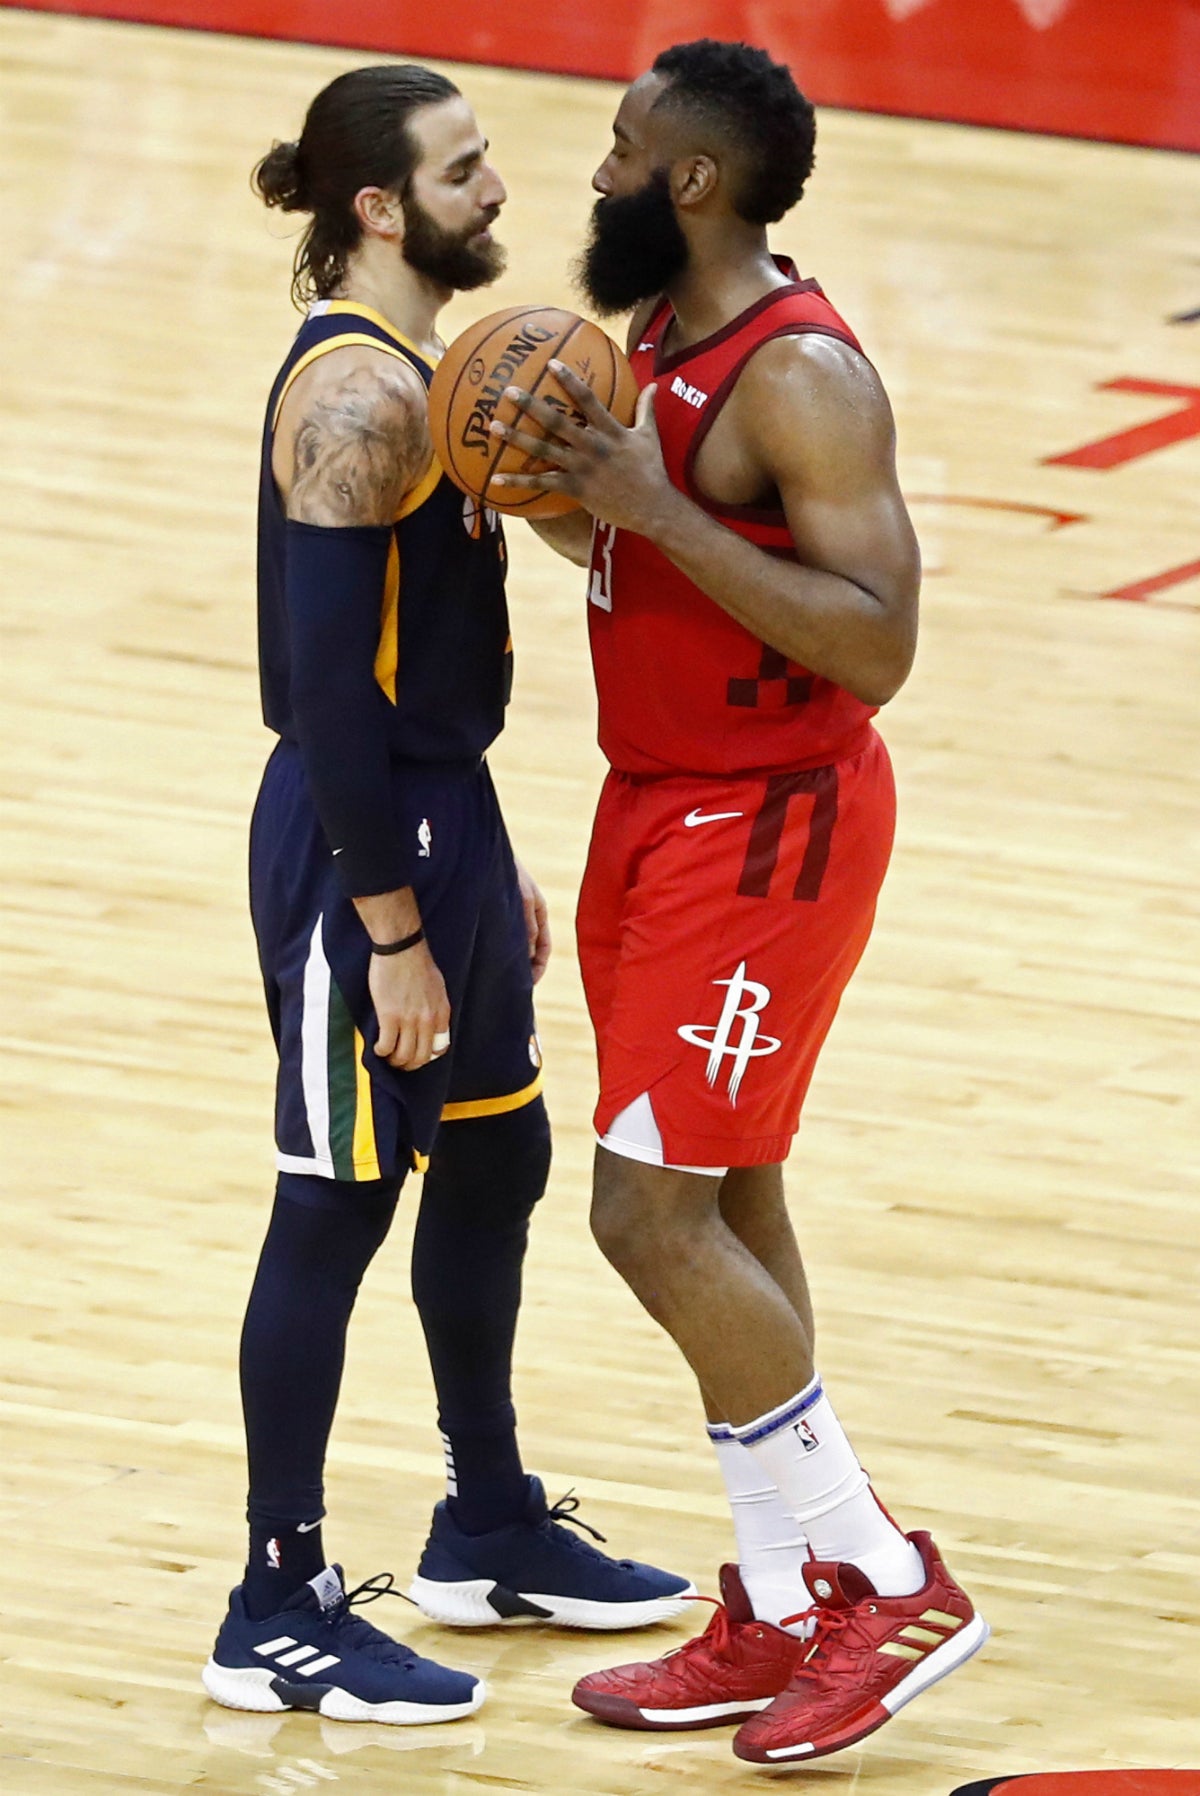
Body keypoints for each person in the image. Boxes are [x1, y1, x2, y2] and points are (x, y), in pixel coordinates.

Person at [491, 38, 988, 1765]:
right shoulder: (656, 339)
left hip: (768, 829)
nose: (599, 173)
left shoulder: (805, 376)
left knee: (647, 1217)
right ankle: (781, 1603)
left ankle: (879, 1572)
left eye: (621, 150)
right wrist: (552, 498)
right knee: (731, 1191)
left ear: (690, 183)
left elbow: (876, 641)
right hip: (654, 803)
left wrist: (643, 501)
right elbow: (660, 565)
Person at [201, 62, 692, 1729]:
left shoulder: (437, 364)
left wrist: (482, 853)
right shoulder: (354, 397)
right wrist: (394, 922)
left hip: (442, 818)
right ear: (378, 207)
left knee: (500, 1152)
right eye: (464, 171)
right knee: (337, 1201)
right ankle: (275, 1600)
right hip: (367, 846)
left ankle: (484, 1524)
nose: (500, 190)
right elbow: (329, 689)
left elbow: (423, 670)